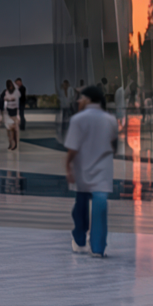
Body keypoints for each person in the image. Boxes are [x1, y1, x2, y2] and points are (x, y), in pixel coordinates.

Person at [64, 84, 118, 258]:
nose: (79, 101)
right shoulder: (110, 119)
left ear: (87, 99)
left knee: (81, 206)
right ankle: (98, 247)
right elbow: (114, 144)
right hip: (103, 169)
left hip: (83, 168)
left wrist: (68, 167)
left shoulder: (78, 119)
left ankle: (79, 240)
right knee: (100, 206)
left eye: (81, 98)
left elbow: (72, 149)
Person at [2, 80, 22, 151]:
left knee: (15, 130)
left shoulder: (16, 92)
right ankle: (11, 143)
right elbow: (5, 102)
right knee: (9, 131)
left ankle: (15, 144)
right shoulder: (7, 92)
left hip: (15, 113)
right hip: (9, 113)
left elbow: (17, 100)